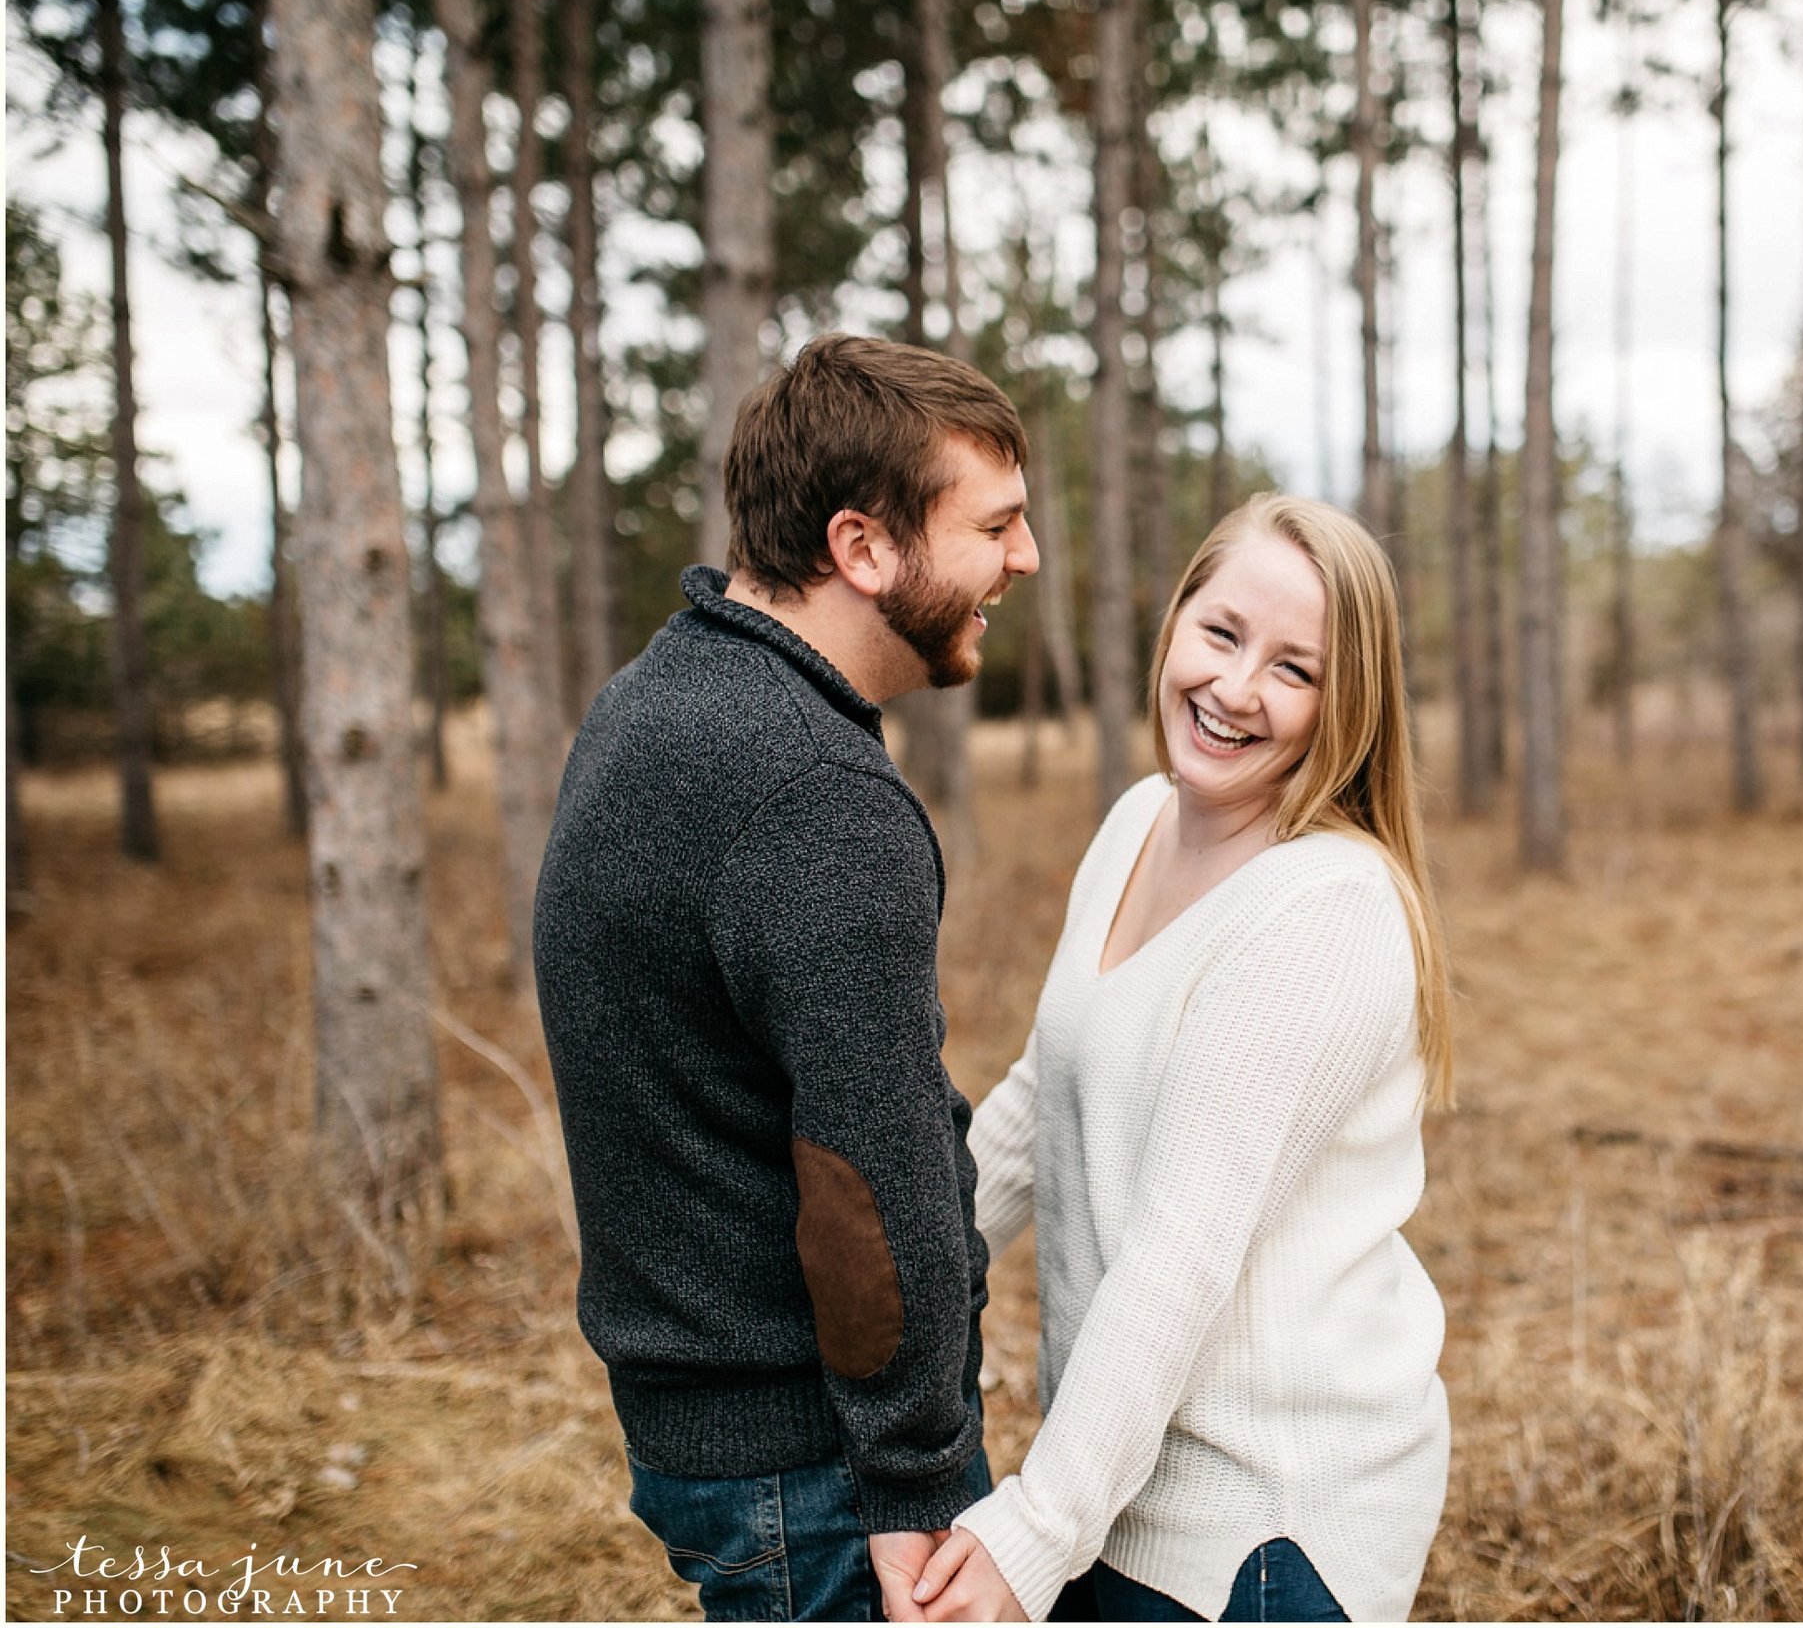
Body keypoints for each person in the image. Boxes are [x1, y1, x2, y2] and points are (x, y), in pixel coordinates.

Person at [535, 334, 1039, 1621]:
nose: (1022, 562)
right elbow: (870, 1175)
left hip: (712, 1430)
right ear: (865, 548)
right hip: (815, 1470)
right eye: (994, 527)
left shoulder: (660, 696)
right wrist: (915, 1480)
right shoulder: (812, 795)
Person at [909, 494, 1455, 1623]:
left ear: (1342, 705)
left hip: (1257, 1524)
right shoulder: (1138, 824)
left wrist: (1036, 1531)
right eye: (1221, 633)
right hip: (1123, 1479)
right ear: (1176, 622)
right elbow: (1046, 1094)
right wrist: (899, 1264)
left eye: (1294, 669)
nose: (1237, 687)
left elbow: (1183, 1254)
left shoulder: (1324, 909)